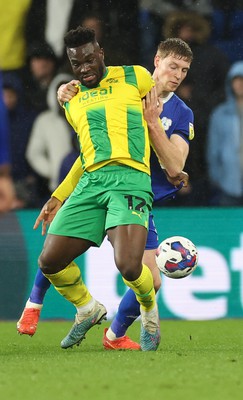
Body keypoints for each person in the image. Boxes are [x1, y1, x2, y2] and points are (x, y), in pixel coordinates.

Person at [17, 36, 194, 350]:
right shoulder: (125, 85)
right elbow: (90, 150)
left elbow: (174, 166)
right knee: (56, 251)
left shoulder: (180, 113)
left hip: (138, 192)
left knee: (145, 276)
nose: (178, 75)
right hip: (99, 183)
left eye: (184, 70)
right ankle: (41, 304)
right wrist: (66, 92)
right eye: (173, 66)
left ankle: (114, 334)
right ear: (157, 61)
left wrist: (153, 124)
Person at [207, 61, 243, 206]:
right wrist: (216, 176)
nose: (240, 84)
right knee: (229, 226)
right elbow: (213, 149)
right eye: (236, 79)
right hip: (229, 183)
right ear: (230, 83)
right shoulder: (220, 113)